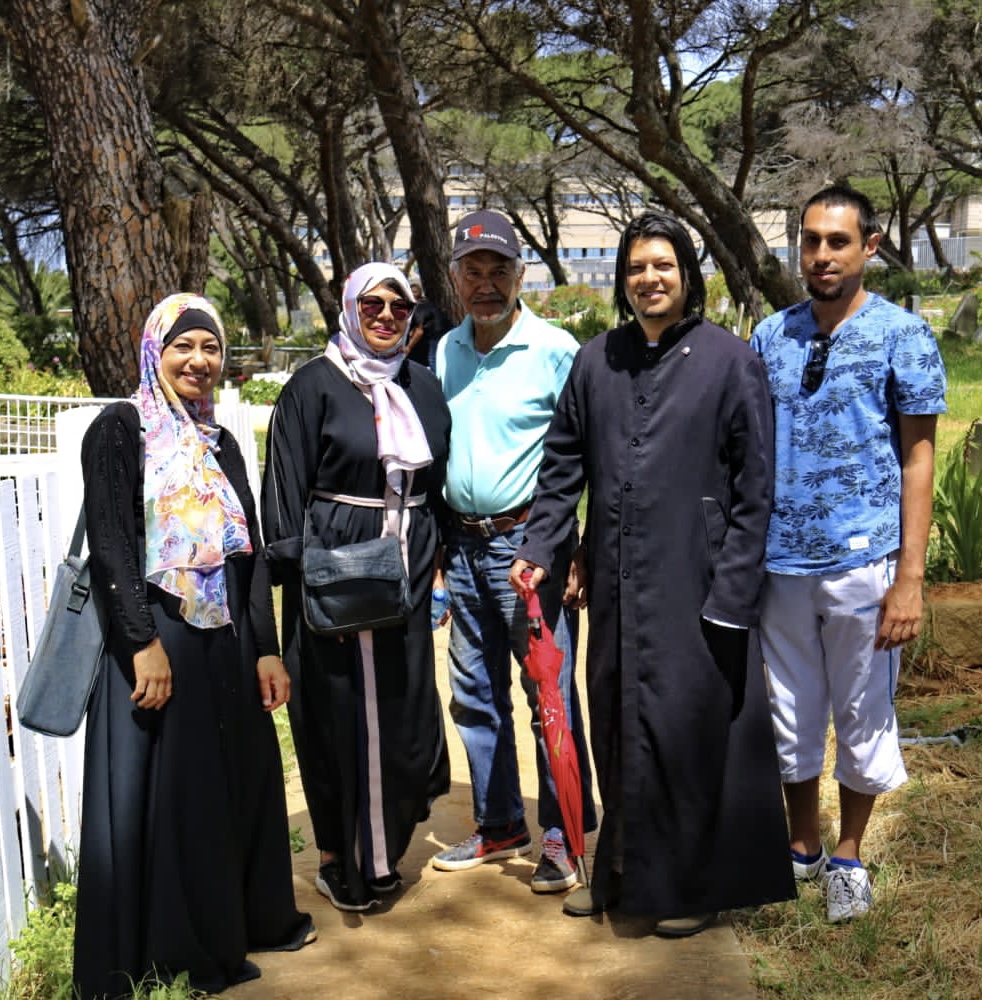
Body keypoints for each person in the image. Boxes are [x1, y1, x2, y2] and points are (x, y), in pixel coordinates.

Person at [510, 210, 797, 935]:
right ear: (623, 280)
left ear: (687, 275)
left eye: (662, 265)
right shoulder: (596, 360)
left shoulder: (732, 360)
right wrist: (540, 548)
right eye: (636, 268)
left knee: (683, 731)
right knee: (615, 720)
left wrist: (732, 595)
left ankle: (692, 885)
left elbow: (757, 491)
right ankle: (619, 869)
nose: (649, 278)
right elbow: (561, 470)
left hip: (695, 584)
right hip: (615, 581)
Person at [74, 294, 314, 999]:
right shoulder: (121, 430)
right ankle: (176, 949)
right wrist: (143, 643)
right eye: (185, 346)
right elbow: (113, 543)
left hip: (225, 641)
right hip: (158, 636)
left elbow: (251, 554)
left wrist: (266, 648)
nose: (200, 361)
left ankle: (242, 921)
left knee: (232, 788)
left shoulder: (221, 441)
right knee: (174, 799)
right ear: (155, 350)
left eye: (211, 348)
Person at [750, 186, 947, 923]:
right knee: (789, 712)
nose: (821, 255)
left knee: (863, 713)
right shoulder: (772, 336)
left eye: (837, 241)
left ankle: (849, 855)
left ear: (869, 247)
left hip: (866, 563)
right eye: (810, 240)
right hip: (781, 566)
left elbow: (919, 457)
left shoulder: (902, 335)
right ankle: (802, 844)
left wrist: (911, 579)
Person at [262, 262, 451, 913]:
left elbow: (438, 485)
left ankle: (383, 847)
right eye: (372, 303)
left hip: (405, 577)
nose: (386, 316)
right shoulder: (313, 386)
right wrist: (295, 570)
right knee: (335, 716)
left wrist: (440, 563)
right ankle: (341, 859)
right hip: (335, 577)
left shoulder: (422, 387)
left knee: (402, 714)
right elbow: (285, 487)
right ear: (348, 306)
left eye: (399, 307)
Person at [430, 208, 596, 894]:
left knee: (548, 694)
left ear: (520, 275)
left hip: (529, 553)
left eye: (500, 269)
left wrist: (572, 547)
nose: (487, 283)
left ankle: (565, 830)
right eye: (474, 269)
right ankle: (501, 821)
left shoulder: (556, 350)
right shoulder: (442, 351)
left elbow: (584, 454)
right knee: (473, 695)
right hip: (463, 549)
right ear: (455, 277)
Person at [405, 280, 453, 370]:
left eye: (414, 292)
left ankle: (437, 381)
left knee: (433, 360)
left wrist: (408, 347)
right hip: (446, 332)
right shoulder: (428, 303)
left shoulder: (418, 307)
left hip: (436, 335)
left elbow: (419, 331)